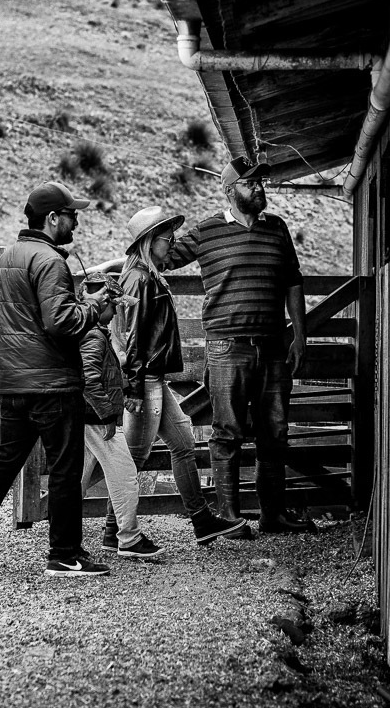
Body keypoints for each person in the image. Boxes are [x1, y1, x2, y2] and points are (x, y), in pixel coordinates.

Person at [0, 181, 114, 578]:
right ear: (52, 219)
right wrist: (93, 309)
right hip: (53, 385)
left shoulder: (5, 262)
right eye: (72, 215)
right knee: (66, 468)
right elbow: (60, 322)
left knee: (4, 461)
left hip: (14, 385)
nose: (76, 223)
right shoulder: (50, 261)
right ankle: (65, 555)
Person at [162, 158, 317, 534]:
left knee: (275, 432)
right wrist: (142, 245)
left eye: (261, 182)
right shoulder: (207, 231)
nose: (260, 188)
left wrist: (300, 336)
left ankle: (273, 515)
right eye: (251, 184)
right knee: (227, 432)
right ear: (230, 191)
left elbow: (293, 283)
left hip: (273, 348)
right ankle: (230, 517)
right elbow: (162, 258)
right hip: (227, 347)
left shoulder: (277, 228)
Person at [117, 206, 249, 544]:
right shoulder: (139, 278)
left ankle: (201, 521)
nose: (172, 242)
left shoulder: (149, 276)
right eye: (167, 237)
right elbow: (130, 336)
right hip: (144, 382)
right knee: (134, 458)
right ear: (149, 241)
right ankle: (115, 531)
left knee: (183, 443)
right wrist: (132, 388)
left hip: (153, 379)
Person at [78, 272, 164, 559]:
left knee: (75, 481)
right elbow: (89, 380)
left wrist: (124, 388)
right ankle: (128, 538)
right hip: (96, 419)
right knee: (126, 475)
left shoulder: (91, 333)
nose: (116, 312)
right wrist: (106, 416)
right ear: (102, 303)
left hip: (87, 418)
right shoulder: (93, 335)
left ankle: (64, 540)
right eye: (113, 305)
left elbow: (100, 375)